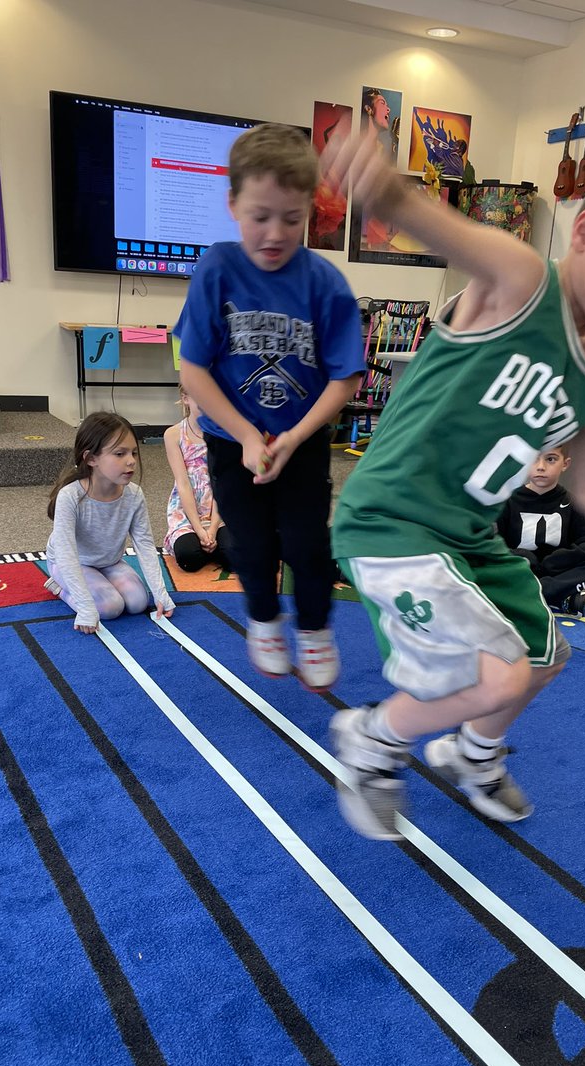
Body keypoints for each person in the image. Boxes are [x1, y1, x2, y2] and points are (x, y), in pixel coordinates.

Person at [320, 134, 585, 840]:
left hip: (470, 536)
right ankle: (371, 738)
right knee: (499, 676)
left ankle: (473, 753)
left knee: (547, 655)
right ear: (584, 229)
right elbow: (433, 224)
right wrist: (381, 188)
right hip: (391, 521)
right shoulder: (520, 281)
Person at [175, 123, 365, 691]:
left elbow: (345, 377)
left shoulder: (324, 282)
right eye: (260, 216)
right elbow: (194, 370)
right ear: (233, 204)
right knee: (251, 546)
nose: (275, 233)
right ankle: (262, 619)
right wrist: (248, 436)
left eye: (292, 218)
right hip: (232, 443)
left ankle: (312, 628)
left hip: (301, 445)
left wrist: (294, 436)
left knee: (308, 544)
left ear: (309, 210)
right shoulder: (218, 268)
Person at [45, 411, 174, 634]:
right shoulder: (70, 497)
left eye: (133, 452)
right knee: (110, 607)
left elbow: (144, 545)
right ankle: (59, 588)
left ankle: (98, 587)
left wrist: (161, 593)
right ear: (91, 458)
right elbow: (66, 554)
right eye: (119, 453)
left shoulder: (134, 495)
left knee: (137, 602)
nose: (131, 460)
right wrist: (84, 607)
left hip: (109, 562)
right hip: (73, 563)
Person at [496, 443, 585, 615]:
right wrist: (523, 557)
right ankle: (554, 597)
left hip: (556, 573)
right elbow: (492, 544)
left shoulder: (574, 503)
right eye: (533, 460)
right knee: (482, 561)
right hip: (519, 570)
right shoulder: (508, 501)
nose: (541, 467)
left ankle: (531, 595)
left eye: (550, 459)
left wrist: (553, 562)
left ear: (565, 464)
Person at [163, 387, 232, 574]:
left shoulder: (224, 433)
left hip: (220, 509)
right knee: (188, 557)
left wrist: (214, 526)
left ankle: (215, 544)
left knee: (234, 557)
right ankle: (209, 545)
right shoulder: (173, 435)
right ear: (186, 399)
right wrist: (200, 530)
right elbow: (183, 484)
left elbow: (222, 483)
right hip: (187, 511)